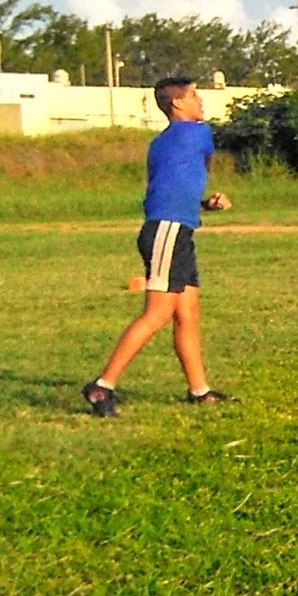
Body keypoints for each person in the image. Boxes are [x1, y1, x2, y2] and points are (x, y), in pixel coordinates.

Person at [82, 77, 232, 415]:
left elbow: (170, 188)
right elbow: (201, 168)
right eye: (194, 95)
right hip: (168, 231)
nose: (200, 101)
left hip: (172, 227)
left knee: (187, 313)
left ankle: (199, 391)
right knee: (158, 313)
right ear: (177, 104)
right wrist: (199, 200)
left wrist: (204, 205)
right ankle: (102, 386)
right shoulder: (199, 132)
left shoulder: (158, 143)